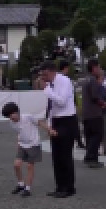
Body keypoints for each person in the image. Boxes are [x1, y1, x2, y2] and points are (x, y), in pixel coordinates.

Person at [39, 60, 77, 198]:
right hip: (55, 120)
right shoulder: (51, 84)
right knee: (56, 155)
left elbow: (61, 101)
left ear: (51, 71)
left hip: (67, 120)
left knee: (65, 155)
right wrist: (49, 125)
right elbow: (51, 107)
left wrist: (47, 90)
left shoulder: (64, 81)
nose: (43, 78)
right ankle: (59, 186)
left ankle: (69, 187)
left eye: (44, 74)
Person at [2, 101, 55, 197]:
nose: (11, 118)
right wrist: (19, 143)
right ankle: (21, 184)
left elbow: (40, 123)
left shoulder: (27, 117)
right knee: (16, 165)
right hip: (22, 145)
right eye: (8, 116)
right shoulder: (12, 123)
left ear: (16, 112)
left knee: (30, 166)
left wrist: (49, 129)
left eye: (11, 115)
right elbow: (20, 132)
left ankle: (27, 188)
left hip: (33, 144)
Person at [82, 59, 106, 169]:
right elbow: (95, 97)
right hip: (94, 113)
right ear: (94, 68)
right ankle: (91, 157)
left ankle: (91, 158)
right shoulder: (93, 80)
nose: (99, 70)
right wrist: (103, 104)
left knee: (89, 136)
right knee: (97, 135)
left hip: (86, 113)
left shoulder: (85, 80)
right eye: (98, 67)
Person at [59, 60, 85, 150]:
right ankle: (78, 141)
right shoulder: (65, 79)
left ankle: (78, 141)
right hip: (68, 107)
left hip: (68, 106)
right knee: (74, 125)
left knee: (74, 125)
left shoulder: (62, 79)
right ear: (65, 68)